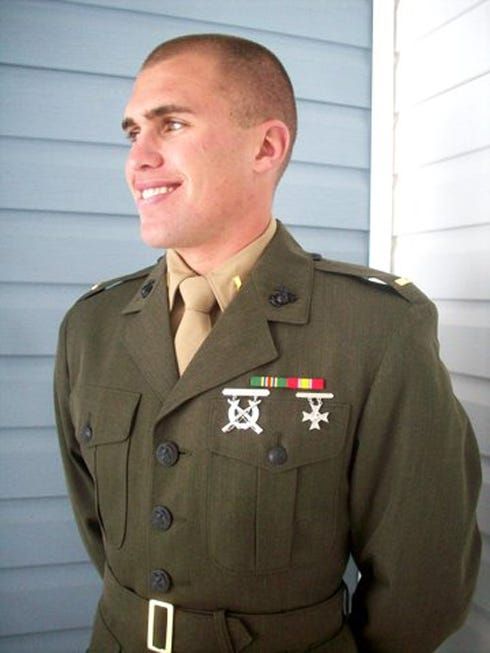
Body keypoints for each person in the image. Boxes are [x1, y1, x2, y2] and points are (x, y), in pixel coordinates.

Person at [54, 34, 481, 653]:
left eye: (171, 124)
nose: (138, 158)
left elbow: (423, 581)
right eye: (132, 133)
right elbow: (100, 527)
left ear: (265, 147)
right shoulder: (91, 327)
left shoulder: (373, 328)